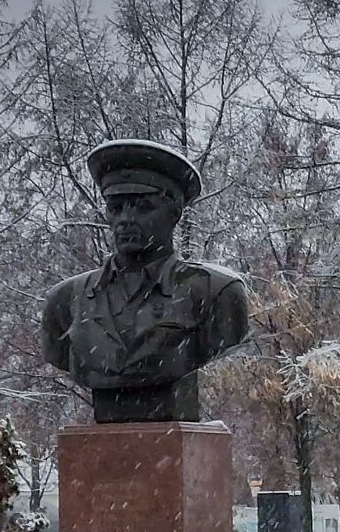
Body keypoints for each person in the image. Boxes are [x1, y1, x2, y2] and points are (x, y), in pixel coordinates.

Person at [42, 139, 250, 423]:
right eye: (116, 208)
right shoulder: (65, 301)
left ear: (174, 214)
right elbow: (58, 353)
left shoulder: (215, 293)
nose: (126, 220)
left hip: (174, 420)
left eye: (143, 207)